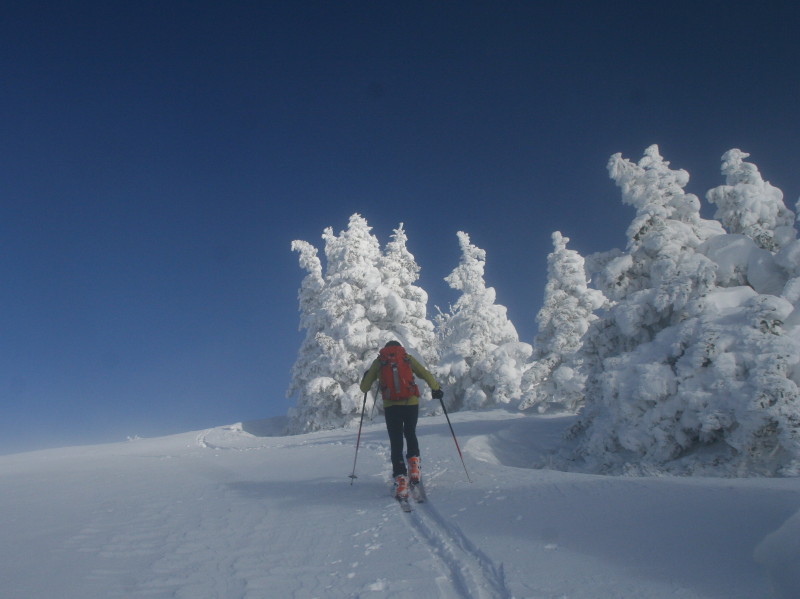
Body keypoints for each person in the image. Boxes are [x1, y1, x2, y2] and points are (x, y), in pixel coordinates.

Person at [360, 341, 443, 499]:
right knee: (410, 433)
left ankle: (401, 480)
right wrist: (436, 388)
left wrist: (366, 377)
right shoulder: (407, 358)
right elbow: (424, 373)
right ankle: (414, 469)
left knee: (396, 441)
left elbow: (364, 388)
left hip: (391, 407)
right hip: (410, 403)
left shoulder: (379, 362)